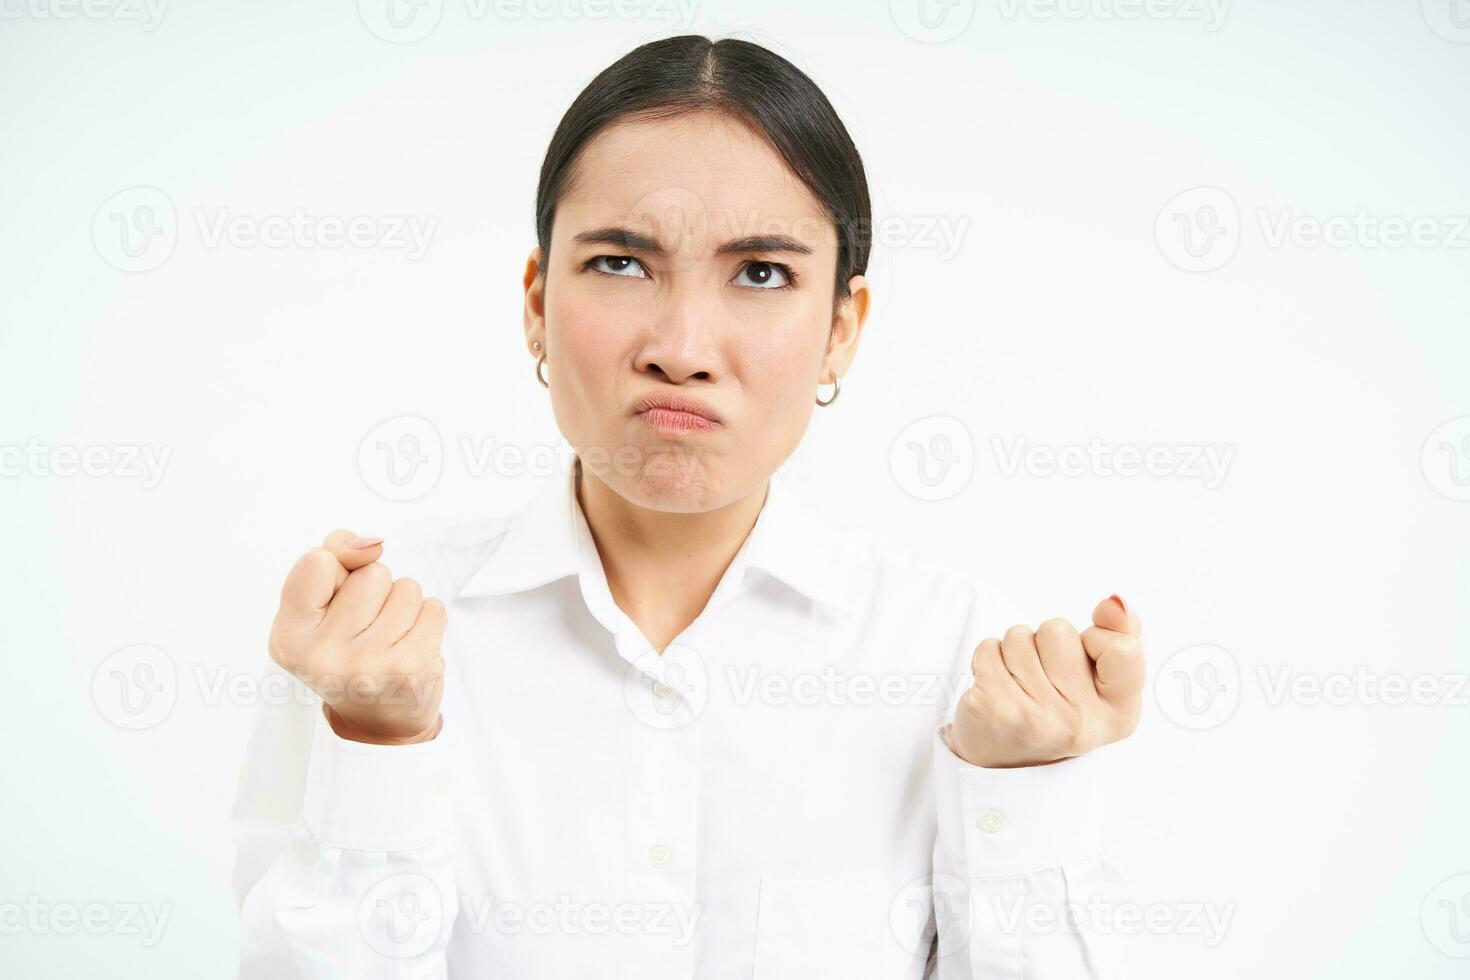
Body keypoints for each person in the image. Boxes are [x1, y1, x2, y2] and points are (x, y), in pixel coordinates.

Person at [232, 34, 1146, 979]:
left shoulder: (957, 654)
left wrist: (1020, 794)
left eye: (761, 273)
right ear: (538, 299)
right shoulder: (372, 646)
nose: (682, 346)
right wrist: (379, 747)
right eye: (622, 263)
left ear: (841, 331)